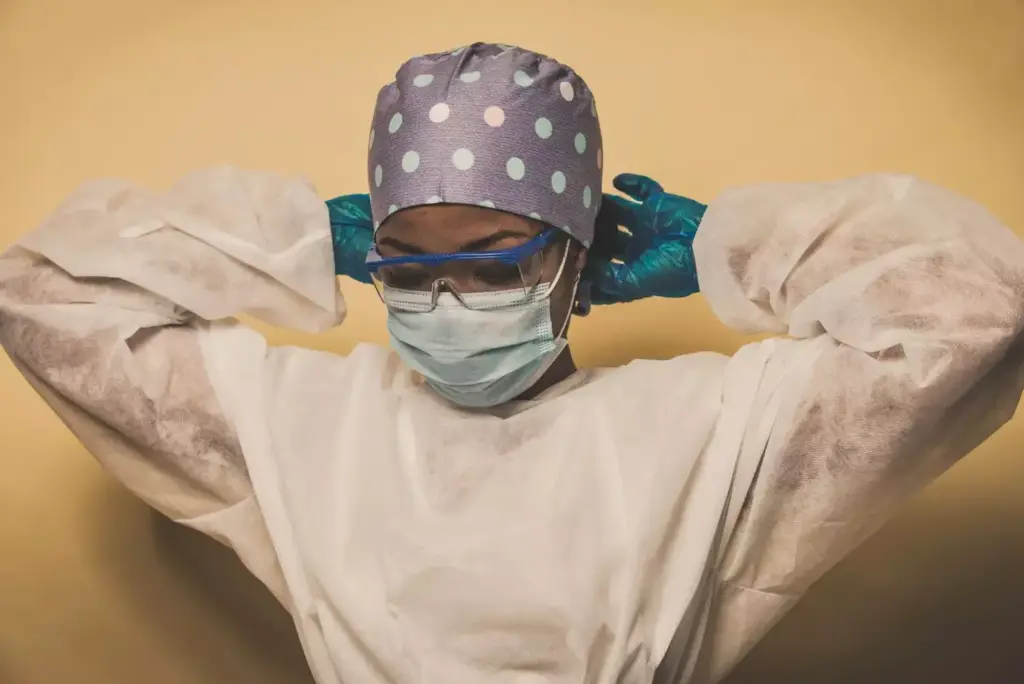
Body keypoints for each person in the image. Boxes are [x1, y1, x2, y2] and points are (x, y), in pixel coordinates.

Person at [1, 41, 1022, 684]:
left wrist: (730, 247)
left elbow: (981, 314)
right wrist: (294, 240)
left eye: (491, 265)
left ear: (576, 259)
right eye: (406, 267)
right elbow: (36, 297)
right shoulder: (300, 426)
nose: (444, 299)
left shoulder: (712, 432)